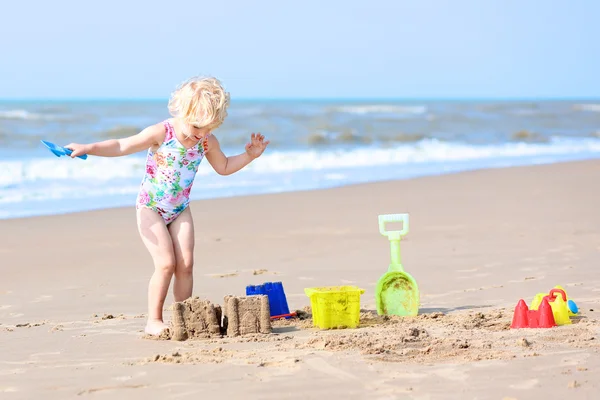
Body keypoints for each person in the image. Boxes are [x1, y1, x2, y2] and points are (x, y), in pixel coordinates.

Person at [65, 76, 270, 336]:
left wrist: (250, 156)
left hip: (179, 208)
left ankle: (184, 317)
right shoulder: (162, 132)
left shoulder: (207, 141)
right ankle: (153, 320)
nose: (201, 134)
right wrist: (88, 147)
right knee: (165, 264)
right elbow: (121, 145)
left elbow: (224, 167)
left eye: (209, 128)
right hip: (150, 207)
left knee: (186, 264)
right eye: (197, 126)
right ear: (182, 111)